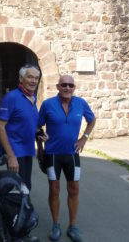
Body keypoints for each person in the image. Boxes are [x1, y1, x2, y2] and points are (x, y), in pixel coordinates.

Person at [39, 75, 96, 242]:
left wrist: (84, 137)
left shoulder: (81, 103)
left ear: (74, 88)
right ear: (58, 86)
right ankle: (56, 225)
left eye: (71, 85)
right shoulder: (48, 104)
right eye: (64, 85)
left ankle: (72, 226)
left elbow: (92, 120)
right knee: (54, 190)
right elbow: (38, 126)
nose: (67, 88)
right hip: (52, 155)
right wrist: (40, 143)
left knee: (74, 190)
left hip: (72, 155)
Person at [0, 64, 47, 242]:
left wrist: (39, 134)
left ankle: (20, 231)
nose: (34, 81)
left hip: (26, 154)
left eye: (36, 78)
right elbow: (0, 127)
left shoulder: (32, 99)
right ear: (21, 79)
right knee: (13, 196)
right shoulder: (12, 98)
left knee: (24, 192)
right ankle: (13, 235)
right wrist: (10, 156)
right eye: (30, 77)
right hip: (14, 156)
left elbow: (30, 125)